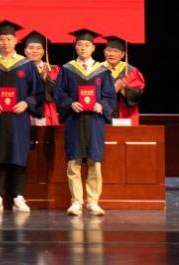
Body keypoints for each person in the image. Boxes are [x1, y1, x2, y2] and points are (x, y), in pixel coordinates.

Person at [0, 20, 43, 213]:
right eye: (2, 39)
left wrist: (27, 103)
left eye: (9, 39)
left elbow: (38, 92)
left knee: (18, 155)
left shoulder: (27, 65)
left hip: (18, 118)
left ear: (16, 40)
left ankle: (18, 197)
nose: (5, 42)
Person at [55, 29, 117, 217]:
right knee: (73, 162)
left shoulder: (102, 71)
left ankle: (93, 202)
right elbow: (59, 94)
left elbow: (110, 96)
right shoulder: (67, 69)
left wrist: (102, 105)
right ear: (76, 47)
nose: (83, 48)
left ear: (93, 48)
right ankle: (76, 202)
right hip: (75, 120)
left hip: (95, 121)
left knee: (94, 162)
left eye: (86, 45)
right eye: (80, 45)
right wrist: (70, 103)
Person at [103, 36, 146, 125]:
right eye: (109, 50)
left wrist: (124, 91)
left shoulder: (131, 71)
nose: (111, 54)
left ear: (123, 54)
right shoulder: (98, 70)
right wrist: (113, 89)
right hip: (102, 114)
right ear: (104, 52)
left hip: (124, 114)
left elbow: (138, 94)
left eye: (115, 51)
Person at [22, 31, 61, 126]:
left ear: (43, 52)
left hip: (47, 111)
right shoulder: (19, 70)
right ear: (25, 51)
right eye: (31, 48)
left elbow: (58, 94)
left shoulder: (53, 70)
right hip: (24, 110)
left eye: (38, 48)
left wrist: (46, 79)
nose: (35, 51)